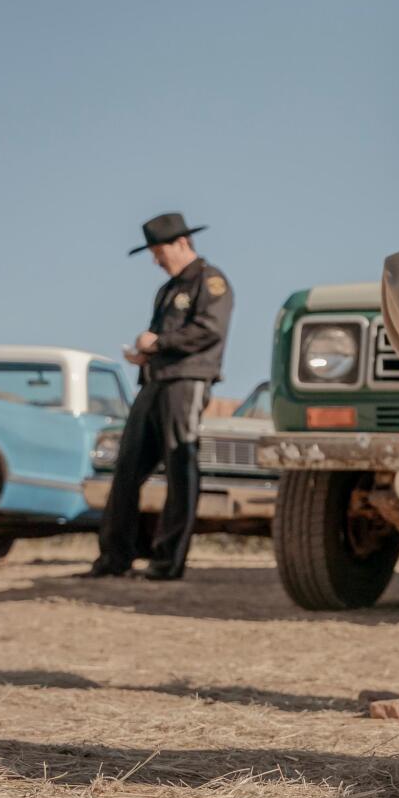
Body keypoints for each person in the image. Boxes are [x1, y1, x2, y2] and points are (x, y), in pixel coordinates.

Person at [87, 213, 233, 581]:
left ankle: (168, 562)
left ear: (181, 243)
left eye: (158, 252)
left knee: (180, 467)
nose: (156, 261)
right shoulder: (167, 289)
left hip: (186, 381)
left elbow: (209, 330)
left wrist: (159, 343)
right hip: (153, 382)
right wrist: (145, 355)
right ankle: (114, 558)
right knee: (126, 468)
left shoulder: (209, 281)